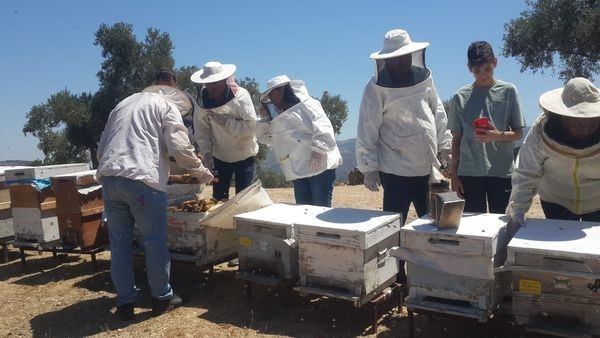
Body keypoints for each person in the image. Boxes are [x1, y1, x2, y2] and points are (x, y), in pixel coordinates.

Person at [96, 86, 214, 320]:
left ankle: (124, 302)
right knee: (154, 242)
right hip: (142, 182)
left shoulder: (122, 104)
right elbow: (180, 148)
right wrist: (203, 173)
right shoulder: (166, 106)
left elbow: (102, 150)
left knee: (119, 245)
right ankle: (162, 297)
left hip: (109, 179)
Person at [356, 29, 452, 222]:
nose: (402, 61)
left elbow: (437, 112)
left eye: (406, 56)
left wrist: (446, 147)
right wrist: (369, 168)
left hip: (425, 165)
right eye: (397, 57)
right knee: (393, 224)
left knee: (432, 223)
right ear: (387, 59)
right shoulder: (375, 88)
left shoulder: (425, 79)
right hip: (395, 168)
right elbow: (368, 127)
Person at [507, 77, 600, 227]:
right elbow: (527, 171)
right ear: (563, 117)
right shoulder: (540, 130)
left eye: (592, 122)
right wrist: (518, 209)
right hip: (556, 200)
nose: (585, 128)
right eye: (578, 123)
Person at [447, 41, 525, 214]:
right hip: (469, 173)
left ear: (495, 63)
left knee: (502, 224)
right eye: (477, 71)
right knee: (473, 228)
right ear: (469, 69)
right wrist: (454, 175)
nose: (483, 75)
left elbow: (519, 133)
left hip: (501, 171)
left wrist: (496, 135)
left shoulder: (508, 91)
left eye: (487, 69)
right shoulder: (460, 97)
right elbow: (456, 138)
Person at [257, 75, 342, 207]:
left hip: (320, 166)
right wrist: (263, 119)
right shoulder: (277, 116)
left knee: (320, 209)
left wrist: (317, 152)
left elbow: (324, 129)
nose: (271, 100)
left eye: (272, 94)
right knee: (303, 212)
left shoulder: (309, 104)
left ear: (281, 90)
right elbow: (265, 138)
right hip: (298, 169)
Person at [191, 61, 259, 201]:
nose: (211, 88)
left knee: (244, 199)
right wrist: (207, 153)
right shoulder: (202, 103)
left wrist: (227, 123)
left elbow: (251, 127)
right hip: (219, 157)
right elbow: (201, 131)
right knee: (218, 199)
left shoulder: (241, 96)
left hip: (244, 155)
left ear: (224, 81)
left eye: (215, 83)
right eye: (208, 84)